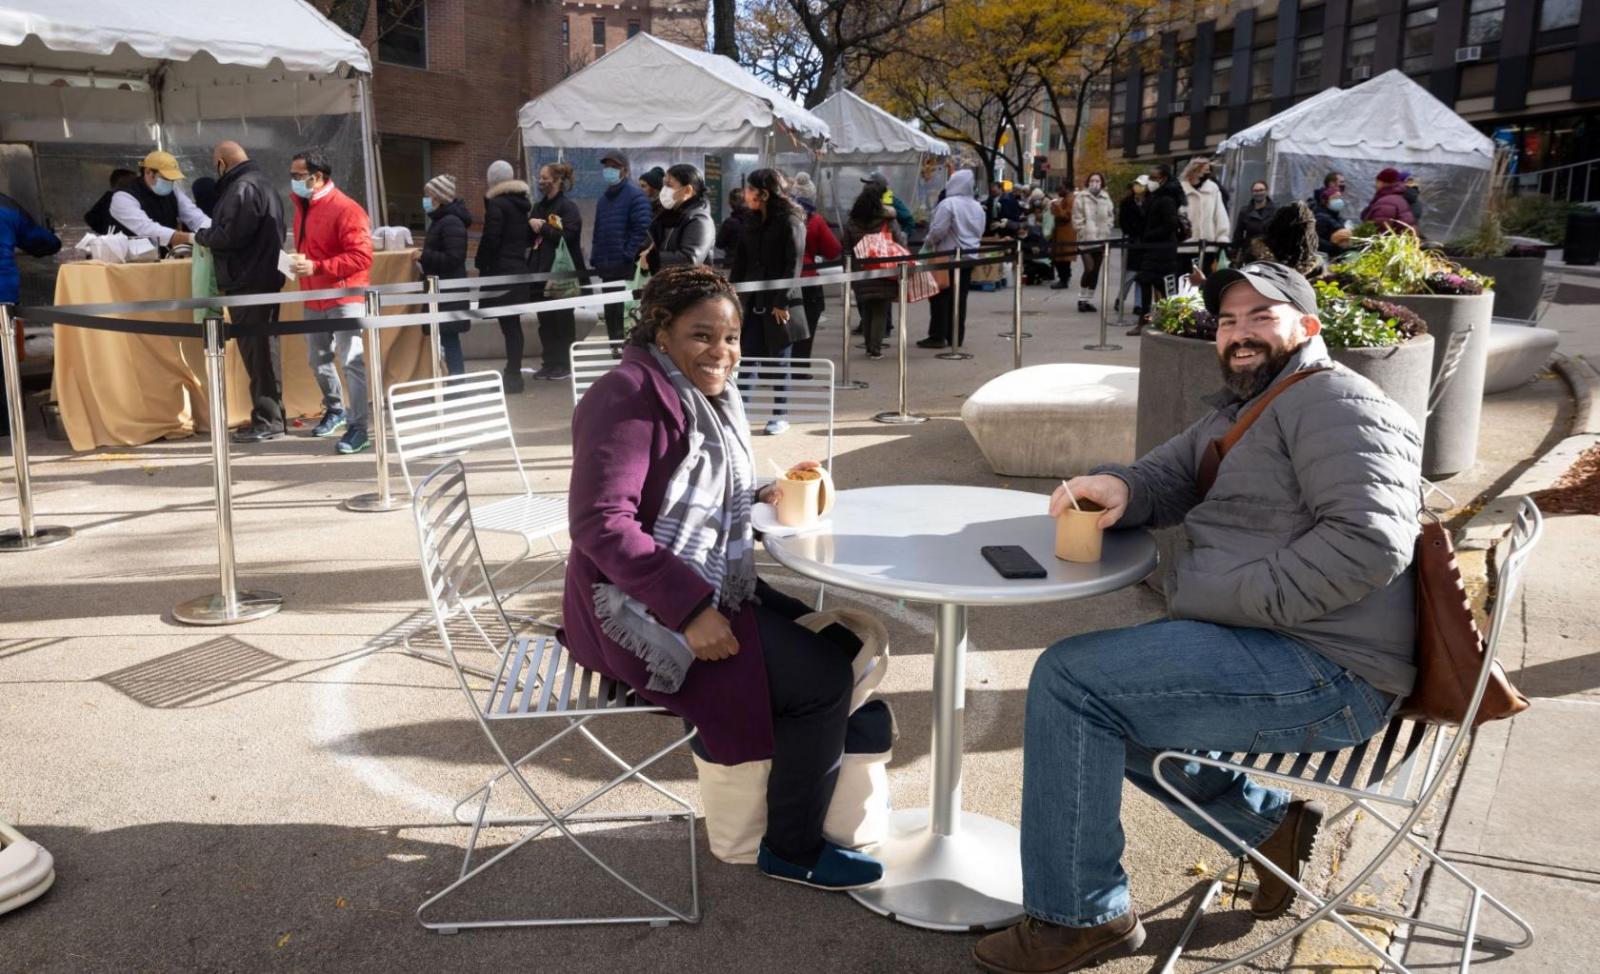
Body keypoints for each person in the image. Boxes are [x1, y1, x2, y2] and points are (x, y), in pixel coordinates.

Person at [972, 261, 1421, 973]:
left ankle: (1078, 919)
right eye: (1228, 320)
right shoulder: (1246, 404)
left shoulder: (1336, 401)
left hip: (1332, 671)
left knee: (1072, 684)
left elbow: (1369, 543)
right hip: (1281, 644)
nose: (1239, 333)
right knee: (1104, 705)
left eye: (1260, 317)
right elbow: (1172, 474)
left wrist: (1227, 597)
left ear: (1308, 327)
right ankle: (1268, 825)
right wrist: (1116, 484)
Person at [563, 263, 884, 892]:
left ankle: (783, 797)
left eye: (732, 337)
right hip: (636, 617)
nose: (723, 352)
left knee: (840, 646)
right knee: (822, 679)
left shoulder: (699, 394)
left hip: (702, 588)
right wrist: (687, 611)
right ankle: (791, 847)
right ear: (661, 329)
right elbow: (601, 524)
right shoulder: (628, 393)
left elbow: (696, 496)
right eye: (702, 335)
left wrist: (764, 494)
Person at [193, 141, 288, 444]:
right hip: (260, 278)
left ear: (221, 163)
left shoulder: (242, 188)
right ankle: (271, 415)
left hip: (248, 281)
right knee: (263, 351)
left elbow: (228, 236)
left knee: (258, 352)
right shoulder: (262, 184)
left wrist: (201, 236)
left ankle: (268, 418)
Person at [288, 147, 375, 454]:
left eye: (298, 176)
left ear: (318, 177)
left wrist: (318, 267)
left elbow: (362, 256)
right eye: (292, 175)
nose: (293, 181)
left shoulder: (347, 208)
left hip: (344, 295)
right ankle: (336, 409)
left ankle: (359, 427)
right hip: (314, 294)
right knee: (317, 358)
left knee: (352, 361)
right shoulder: (303, 206)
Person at [729, 169, 808, 436]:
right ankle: (739, 415)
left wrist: (782, 301)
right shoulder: (749, 221)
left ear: (764, 193)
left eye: (750, 189)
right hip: (751, 302)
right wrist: (733, 296)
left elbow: (793, 263)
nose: (745, 194)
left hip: (779, 303)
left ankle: (780, 414)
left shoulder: (791, 221)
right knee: (748, 359)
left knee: (779, 361)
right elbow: (740, 262)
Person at [1, 192, 60, 440]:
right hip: (2, 293)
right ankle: (5, 425)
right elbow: (41, 241)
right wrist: (54, 241)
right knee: (3, 362)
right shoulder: (6, 206)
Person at [476, 160, 534, 393]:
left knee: (508, 325)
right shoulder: (522, 205)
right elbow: (526, 239)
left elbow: (491, 238)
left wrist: (482, 262)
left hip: (502, 271)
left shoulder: (498, 206)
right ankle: (513, 371)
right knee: (513, 325)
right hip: (518, 268)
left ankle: (512, 376)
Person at [527, 161, 588, 382]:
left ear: (557, 180)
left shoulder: (568, 207)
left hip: (561, 272)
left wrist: (542, 227)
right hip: (539, 272)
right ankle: (549, 362)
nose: (540, 181)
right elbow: (530, 238)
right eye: (540, 177)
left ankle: (565, 364)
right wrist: (531, 227)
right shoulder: (538, 206)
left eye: (544, 177)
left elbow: (569, 237)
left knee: (562, 321)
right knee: (546, 322)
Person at [590, 149, 653, 342]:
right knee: (611, 312)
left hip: (625, 267)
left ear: (625, 170)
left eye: (614, 167)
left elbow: (642, 228)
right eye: (607, 166)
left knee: (625, 312)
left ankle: (626, 349)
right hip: (607, 266)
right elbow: (598, 230)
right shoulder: (604, 199)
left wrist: (627, 254)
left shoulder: (635, 196)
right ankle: (614, 348)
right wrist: (596, 257)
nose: (609, 170)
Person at [919, 168, 985, 350]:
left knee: (940, 296)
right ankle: (956, 336)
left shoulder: (949, 204)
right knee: (960, 297)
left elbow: (938, 230)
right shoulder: (977, 206)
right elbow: (980, 230)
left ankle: (937, 335)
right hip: (968, 257)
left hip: (945, 257)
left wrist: (930, 242)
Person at [418, 174, 473, 376]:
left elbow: (454, 257)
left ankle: (457, 386)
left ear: (438, 198)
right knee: (447, 339)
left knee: (450, 340)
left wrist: (424, 256)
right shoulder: (443, 220)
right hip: (444, 291)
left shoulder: (450, 222)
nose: (425, 199)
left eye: (428, 195)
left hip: (448, 292)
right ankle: (452, 383)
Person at [842, 187, 904, 360]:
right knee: (880, 310)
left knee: (867, 308)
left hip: (859, 270)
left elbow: (846, 249)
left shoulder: (852, 222)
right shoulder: (887, 220)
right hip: (883, 269)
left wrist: (847, 271)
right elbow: (899, 241)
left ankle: (869, 345)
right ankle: (875, 348)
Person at [108, 150, 211, 254]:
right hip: (130, 259)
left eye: (172, 179)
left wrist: (211, 231)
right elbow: (147, 229)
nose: (170, 182)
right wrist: (191, 238)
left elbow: (195, 216)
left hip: (164, 257)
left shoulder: (173, 192)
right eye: (165, 178)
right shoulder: (123, 197)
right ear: (148, 172)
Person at [1129, 163, 1188, 335]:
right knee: (1149, 282)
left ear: (1162, 179)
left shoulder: (1167, 199)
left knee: (1162, 285)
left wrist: (1150, 235)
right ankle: (1148, 319)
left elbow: (1170, 224)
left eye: (1154, 178)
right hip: (1153, 249)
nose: (1150, 181)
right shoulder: (1155, 197)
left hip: (1162, 249)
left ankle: (1171, 320)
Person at [793, 178, 841, 361]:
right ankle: (800, 369)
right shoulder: (815, 220)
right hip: (808, 277)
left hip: (780, 278)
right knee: (807, 327)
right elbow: (833, 250)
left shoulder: (778, 216)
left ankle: (776, 371)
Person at [642, 163, 716, 274]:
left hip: (693, 287)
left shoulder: (700, 220)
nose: (664, 190)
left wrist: (653, 260)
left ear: (687, 190)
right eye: (664, 185)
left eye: (669, 185)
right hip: (667, 285)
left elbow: (690, 259)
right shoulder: (667, 216)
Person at [1071, 172, 1115, 313]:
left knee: (1096, 271)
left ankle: (1088, 299)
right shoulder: (1081, 197)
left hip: (1102, 239)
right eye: (1092, 180)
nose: (1095, 183)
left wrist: (1108, 228)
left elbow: (1110, 216)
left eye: (1097, 180)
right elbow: (1077, 217)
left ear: (1102, 183)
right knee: (1089, 269)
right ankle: (1081, 299)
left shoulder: (1106, 198)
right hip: (1086, 239)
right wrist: (1083, 230)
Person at [1181, 157, 1231, 265]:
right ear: (1195, 170)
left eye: (1209, 170)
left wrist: (1222, 238)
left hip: (1208, 247)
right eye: (1205, 170)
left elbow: (1220, 215)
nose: (1208, 173)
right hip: (1184, 247)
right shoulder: (1180, 190)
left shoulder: (1212, 189)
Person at [1117, 176, 1150, 316]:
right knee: (1130, 274)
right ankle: (1120, 299)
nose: (1138, 187)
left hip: (1146, 241)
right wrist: (1131, 231)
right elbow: (1123, 222)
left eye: (1141, 185)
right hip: (1132, 241)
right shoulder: (1126, 202)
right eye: (1136, 184)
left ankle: (1138, 304)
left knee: (1142, 276)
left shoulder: (1151, 202)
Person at [1233, 180, 1278, 262]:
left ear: (1266, 191)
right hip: (1250, 253)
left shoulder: (1275, 211)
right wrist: (1237, 252)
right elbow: (1238, 234)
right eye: (1256, 191)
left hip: (1270, 253)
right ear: (1252, 193)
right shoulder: (1245, 211)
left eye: (1261, 190)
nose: (1258, 193)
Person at [1361, 167, 1417, 233]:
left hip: (1390, 241)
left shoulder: (1386, 202)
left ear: (1382, 182)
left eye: (1377, 182)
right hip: (1402, 240)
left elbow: (1381, 229)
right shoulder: (1399, 198)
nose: (1375, 185)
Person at [862, 170, 915, 238]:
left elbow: (909, 221)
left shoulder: (892, 202)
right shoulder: (863, 201)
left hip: (886, 245)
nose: (865, 186)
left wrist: (902, 236)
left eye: (869, 184)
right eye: (866, 184)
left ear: (879, 186)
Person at [84, 169, 137, 235]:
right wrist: (105, 231)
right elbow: (91, 218)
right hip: (118, 239)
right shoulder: (109, 198)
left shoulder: (108, 198)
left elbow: (90, 218)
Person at [1312, 186, 1353, 258]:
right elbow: (1315, 239)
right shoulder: (1320, 218)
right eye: (1335, 198)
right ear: (1325, 201)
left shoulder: (1335, 216)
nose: (1339, 201)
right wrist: (1334, 248)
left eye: (1340, 198)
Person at [1049, 186, 1076, 290]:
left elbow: (1066, 216)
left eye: (1060, 189)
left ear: (1067, 189)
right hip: (1061, 233)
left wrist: (1057, 207)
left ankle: (1063, 280)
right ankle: (1064, 278)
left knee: (1062, 259)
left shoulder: (1070, 200)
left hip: (1065, 234)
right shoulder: (1065, 199)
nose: (1058, 192)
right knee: (1059, 259)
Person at [715, 187, 749, 267]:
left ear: (730, 203)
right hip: (751, 263)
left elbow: (719, 244)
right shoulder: (755, 220)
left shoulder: (730, 223)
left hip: (732, 263)